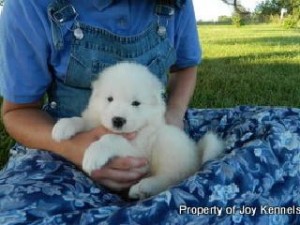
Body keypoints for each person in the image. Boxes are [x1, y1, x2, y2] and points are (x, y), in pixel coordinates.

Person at [0, 0, 200, 196]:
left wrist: (173, 116)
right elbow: (18, 111)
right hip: (60, 150)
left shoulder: (176, 3)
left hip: (152, 139)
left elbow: (185, 67)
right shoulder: (29, 5)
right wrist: (71, 147)